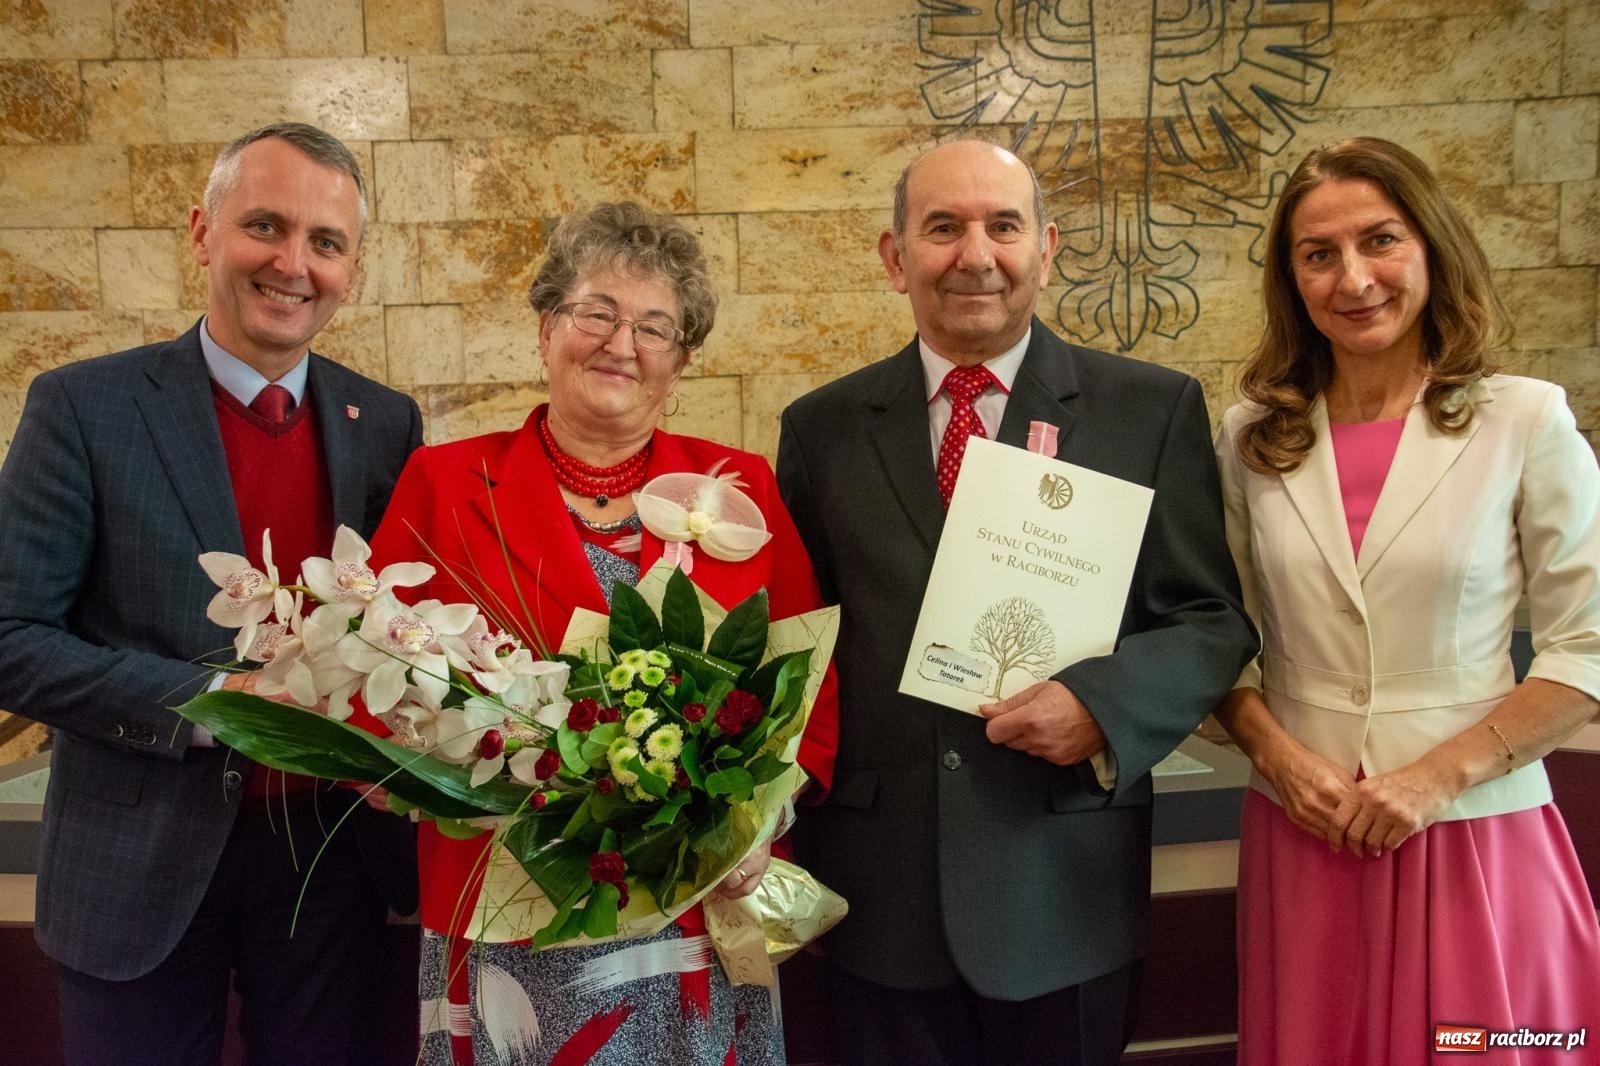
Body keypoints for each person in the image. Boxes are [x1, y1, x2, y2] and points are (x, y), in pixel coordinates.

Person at [776, 139, 1257, 1065]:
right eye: (943, 227)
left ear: (1048, 246)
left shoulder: (1146, 410)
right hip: (881, 897)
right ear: (895, 256)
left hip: (1063, 886)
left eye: (1003, 225)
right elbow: (804, 644)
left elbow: (1208, 619)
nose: (975, 253)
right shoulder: (822, 428)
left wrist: (1102, 706)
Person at [361, 200, 839, 1065]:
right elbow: (374, 678)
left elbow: (811, 686)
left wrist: (759, 824)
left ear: (681, 361)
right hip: (510, 904)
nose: (622, 344)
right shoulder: (443, 483)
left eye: (656, 328)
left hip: (693, 905)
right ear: (546, 328)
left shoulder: (745, 492)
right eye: (596, 314)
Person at [0, 122, 423, 1065]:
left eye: (326, 242)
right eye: (264, 226)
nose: (292, 264)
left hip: (329, 867)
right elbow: (10, 633)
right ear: (201, 231)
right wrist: (217, 706)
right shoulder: (83, 407)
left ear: (352, 265)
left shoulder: (387, 422)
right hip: (133, 869)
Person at [1212, 136, 1600, 1064]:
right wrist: (1278, 758)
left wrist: (1433, 778)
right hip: (1303, 832)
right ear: (1291, 280)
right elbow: (1213, 639)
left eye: (1380, 240)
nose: (1354, 278)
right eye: (1319, 254)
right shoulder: (1249, 439)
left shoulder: (1526, 420)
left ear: (1430, 247)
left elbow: (1586, 649)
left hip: (1473, 830)